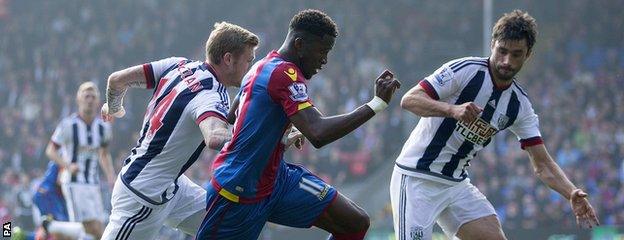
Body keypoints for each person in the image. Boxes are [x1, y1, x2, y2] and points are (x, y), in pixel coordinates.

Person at [391, 10, 599, 240]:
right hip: (416, 178)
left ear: (528, 55)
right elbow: (410, 99)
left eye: (516, 54)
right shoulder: (465, 70)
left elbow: (543, 164)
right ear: (492, 45)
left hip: (454, 185)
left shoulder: (519, 105)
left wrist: (571, 192)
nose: (507, 61)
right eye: (502, 51)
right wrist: (452, 110)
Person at [196, 9, 401, 240]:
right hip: (238, 193)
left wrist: (279, 132)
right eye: (322, 51)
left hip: (276, 181)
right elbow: (318, 133)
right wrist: (376, 104)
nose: (324, 60)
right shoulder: (284, 73)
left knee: (354, 223)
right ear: (300, 44)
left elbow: (235, 115)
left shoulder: (263, 64)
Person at [99, 21, 259, 240]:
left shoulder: (178, 64)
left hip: (172, 186)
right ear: (228, 59)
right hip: (143, 196)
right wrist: (260, 134)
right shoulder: (211, 95)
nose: (249, 67)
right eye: (248, 61)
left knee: (230, 231)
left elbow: (116, 81)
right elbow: (214, 137)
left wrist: (114, 107)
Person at [45, 81, 115, 239]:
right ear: (79, 99)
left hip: (93, 183)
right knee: (92, 228)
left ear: (98, 101)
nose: (89, 99)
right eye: (86, 96)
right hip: (74, 182)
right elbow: (50, 150)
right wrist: (68, 166)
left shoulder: (103, 128)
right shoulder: (68, 125)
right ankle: (50, 226)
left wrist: (111, 176)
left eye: (93, 96)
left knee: (93, 231)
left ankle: (51, 227)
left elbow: (104, 154)